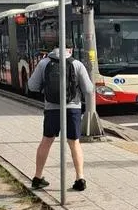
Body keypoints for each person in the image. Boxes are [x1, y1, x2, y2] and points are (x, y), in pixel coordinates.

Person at [27, 46, 94, 191]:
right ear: (70, 49)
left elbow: (32, 86)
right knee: (74, 143)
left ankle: (37, 178)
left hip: (51, 109)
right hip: (73, 109)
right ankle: (80, 178)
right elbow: (89, 89)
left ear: (53, 48)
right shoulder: (76, 64)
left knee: (46, 141)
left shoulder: (44, 63)